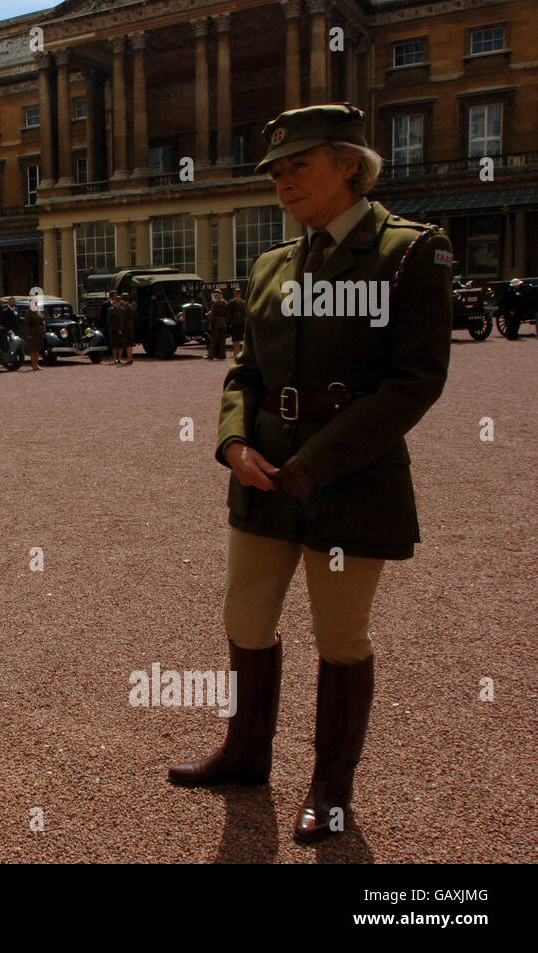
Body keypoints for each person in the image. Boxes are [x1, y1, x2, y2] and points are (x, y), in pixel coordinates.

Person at [167, 103, 453, 843]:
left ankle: (330, 788)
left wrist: (316, 462)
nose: (283, 180)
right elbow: (247, 370)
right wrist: (232, 445)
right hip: (262, 475)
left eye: (300, 164)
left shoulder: (410, 252)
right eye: (276, 170)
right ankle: (245, 751)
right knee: (245, 619)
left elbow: (415, 380)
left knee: (342, 635)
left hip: (351, 477)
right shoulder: (272, 264)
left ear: (350, 164)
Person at [113, 292, 135, 365]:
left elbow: (123, 320)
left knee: (128, 344)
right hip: (130, 327)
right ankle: (130, 358)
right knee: (130, 344)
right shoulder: (130, 306)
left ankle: (129, 359)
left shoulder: (125, 308)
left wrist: (120, 328)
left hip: (126, 328)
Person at [24, 296, 46, 370]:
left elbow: (42, 322)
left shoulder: (38, 310)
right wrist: (28, 334)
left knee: (37, 349)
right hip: (33, 333)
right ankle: (33, 364)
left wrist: (43, 332)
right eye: (35, 302)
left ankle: (37, 364)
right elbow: (26, 324)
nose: (36, 303)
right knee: (33, 350)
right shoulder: (28, 311)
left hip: (39, 333)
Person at [207, 289, 229, 359]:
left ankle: (210, 355)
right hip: (223, 322)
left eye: (216, 294)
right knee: (222, 340)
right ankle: (222, 354)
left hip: (216, 322)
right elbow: (227, 314)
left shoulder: (215, 302)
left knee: (214, 339)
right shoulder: (225, 302)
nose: (215, 295)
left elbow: (213, 314)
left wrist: (210, 323)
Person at [228, 286, 247, 358]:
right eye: (236, 293)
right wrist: (230, 322)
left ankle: (238, 351)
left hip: (241, 322)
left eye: (239, 293)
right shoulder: (232, 302)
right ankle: (235, 351)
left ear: (240, 294)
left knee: (239, 337)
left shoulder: (243, 302)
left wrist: (242, 316)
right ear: (234, 294)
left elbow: (245, 312)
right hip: (234, 322)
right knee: (234, 337)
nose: (237, 294)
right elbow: (229, 313)